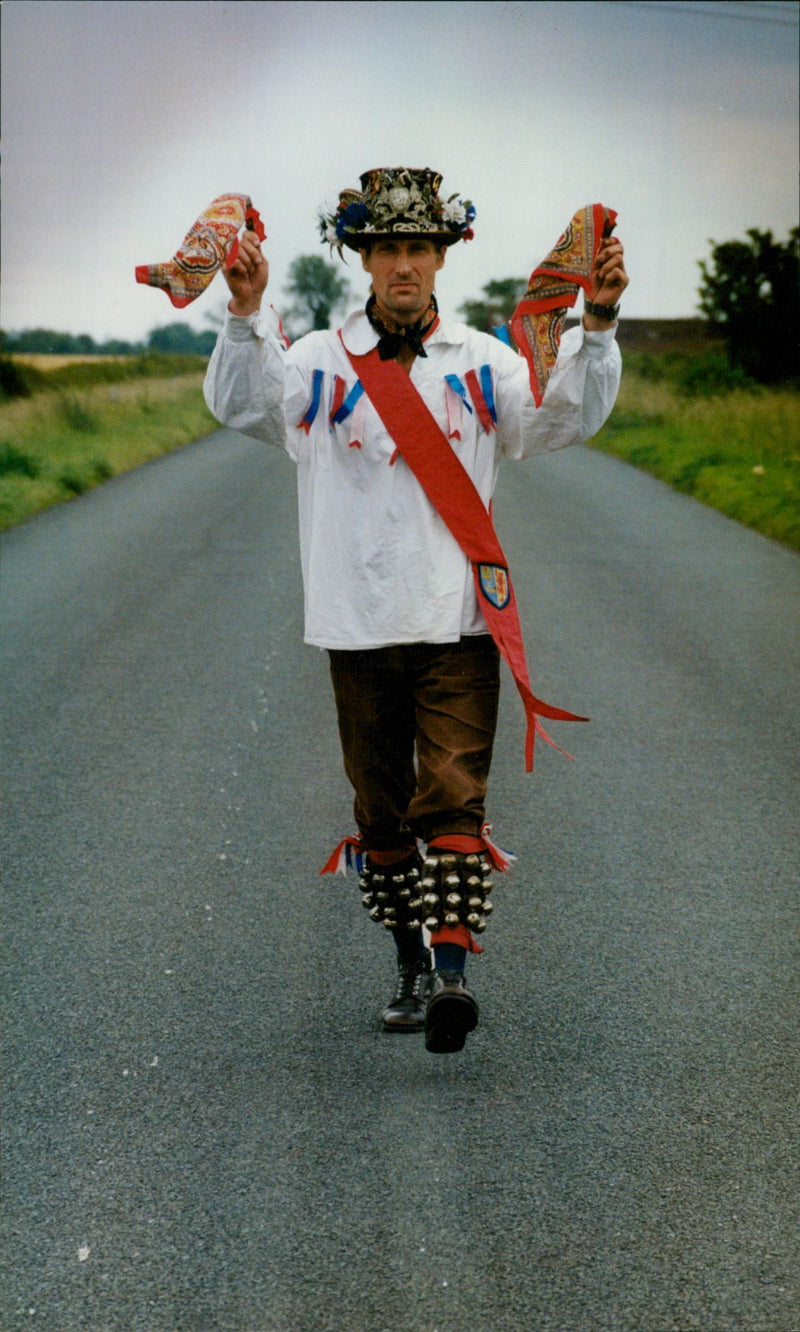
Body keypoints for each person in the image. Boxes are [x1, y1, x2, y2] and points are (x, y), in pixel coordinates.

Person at [204, 166, 628, 1053]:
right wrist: (246, 312)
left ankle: (450, 977)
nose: (404, 264)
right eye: (388, 248)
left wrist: (597, 325)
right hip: (355, 624)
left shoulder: (483, 361)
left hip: (457, 624)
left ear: (442, 258)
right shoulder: (318, 360)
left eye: (420, 248)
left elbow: (558, 421)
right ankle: (406, 960)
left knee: (455, 797)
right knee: (381, 812)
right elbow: (243, 403)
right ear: (364, 258)